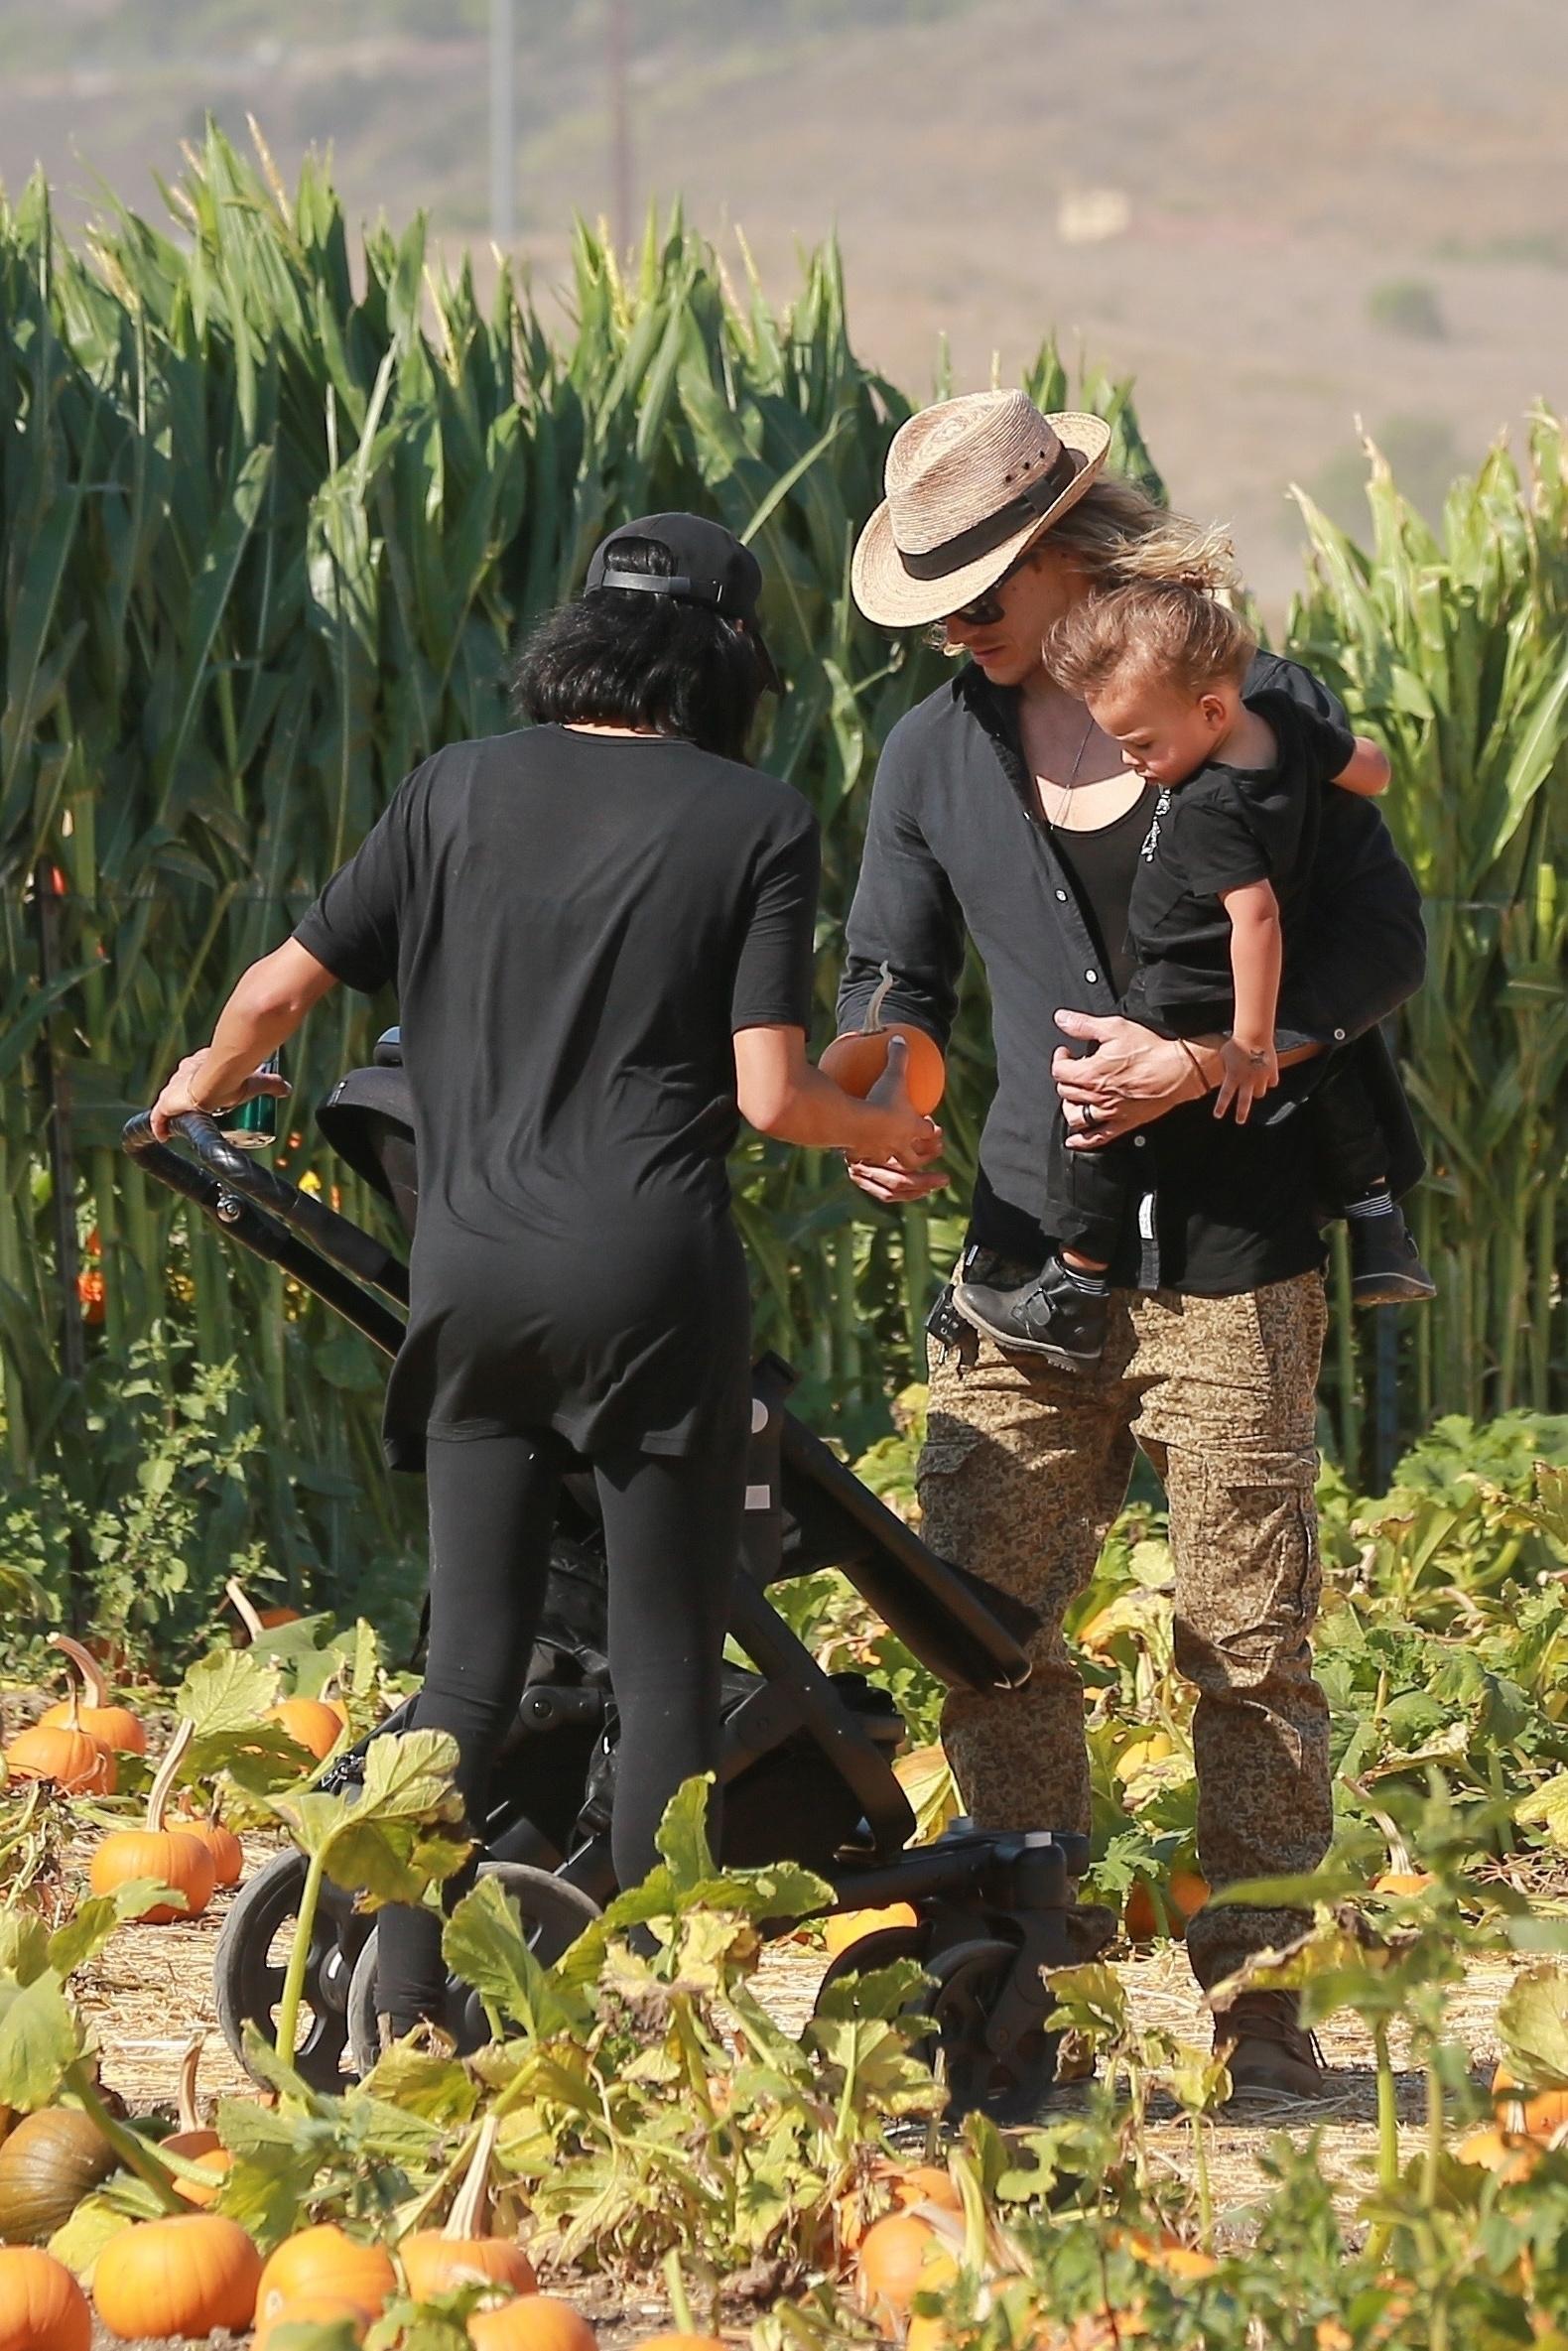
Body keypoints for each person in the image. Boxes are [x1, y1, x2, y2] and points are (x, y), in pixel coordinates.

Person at [151, 512, 939, 2040]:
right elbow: (776, 1098)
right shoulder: (753, 819)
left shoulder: (454, 786)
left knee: (465, 1676)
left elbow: (276, 989)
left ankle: (404, 1976)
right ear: (727, 661)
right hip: (651, 1281)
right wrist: (889, 1127)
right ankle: (631, 2006)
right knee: (661, 1674)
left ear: (579, 635)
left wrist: (200, 1084)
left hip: (473, 1272)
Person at [842, 390, 1426, 2102]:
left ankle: (1265, 2020)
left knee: (1253, 1650)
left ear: (1058, 549)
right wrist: (890, 1098)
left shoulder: (1254, 709)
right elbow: (897, 979)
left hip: (1240, 1245)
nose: (954, 628)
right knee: (988, 1626)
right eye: (934, 602)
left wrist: (1235, 1053)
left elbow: (1383, 939)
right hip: (1030, 1247)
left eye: (972, 590)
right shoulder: (936, 752)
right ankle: (1039, 2010)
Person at [955, 574, 1434, 1370]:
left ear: (1210, 712)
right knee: (1339, 1060)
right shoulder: (1288, 723)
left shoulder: (1210, 806)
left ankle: (1074, 1285)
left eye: (1142, 743)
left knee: (1092, 1106)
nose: (1134, 762)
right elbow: (1373, 769)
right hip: (1246, 975)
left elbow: (1256, 919)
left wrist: (1245, 1043)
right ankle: (1379, 1216)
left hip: (1181, 977)